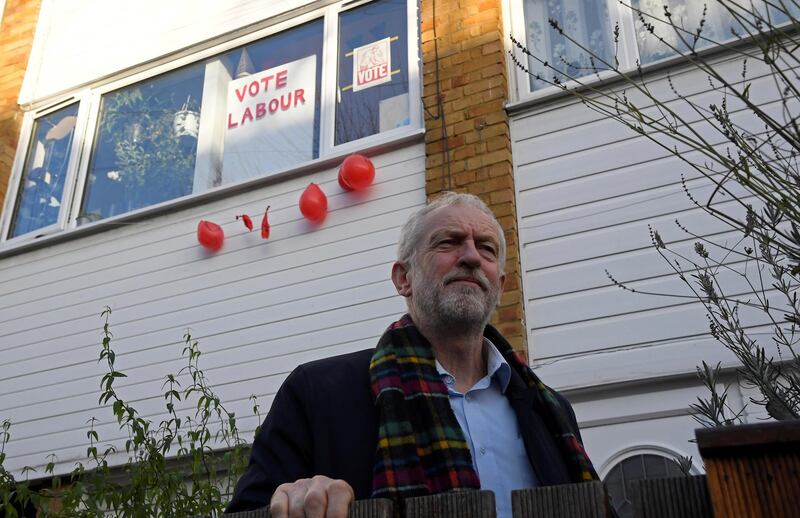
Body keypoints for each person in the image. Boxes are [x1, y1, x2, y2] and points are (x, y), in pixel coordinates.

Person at [227, 192, 599, 518]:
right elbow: (251, 510)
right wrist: (294, 500)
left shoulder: (551, 410)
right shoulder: (315, 393)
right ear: (403, 278)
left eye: (486, 249)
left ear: (499, 286)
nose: (471, 256)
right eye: (449, 243)